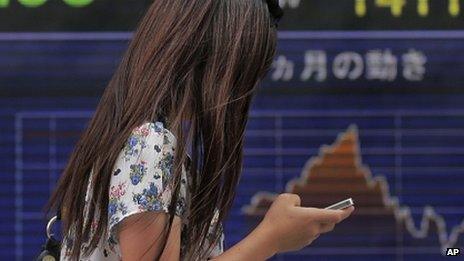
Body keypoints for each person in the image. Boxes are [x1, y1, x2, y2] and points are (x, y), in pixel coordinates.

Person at [46, 0, 355, 260]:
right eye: (243, 74)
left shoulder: (135, 136)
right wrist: (270, 238)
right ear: (213, 60)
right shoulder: (151, 145)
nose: (242, 92)